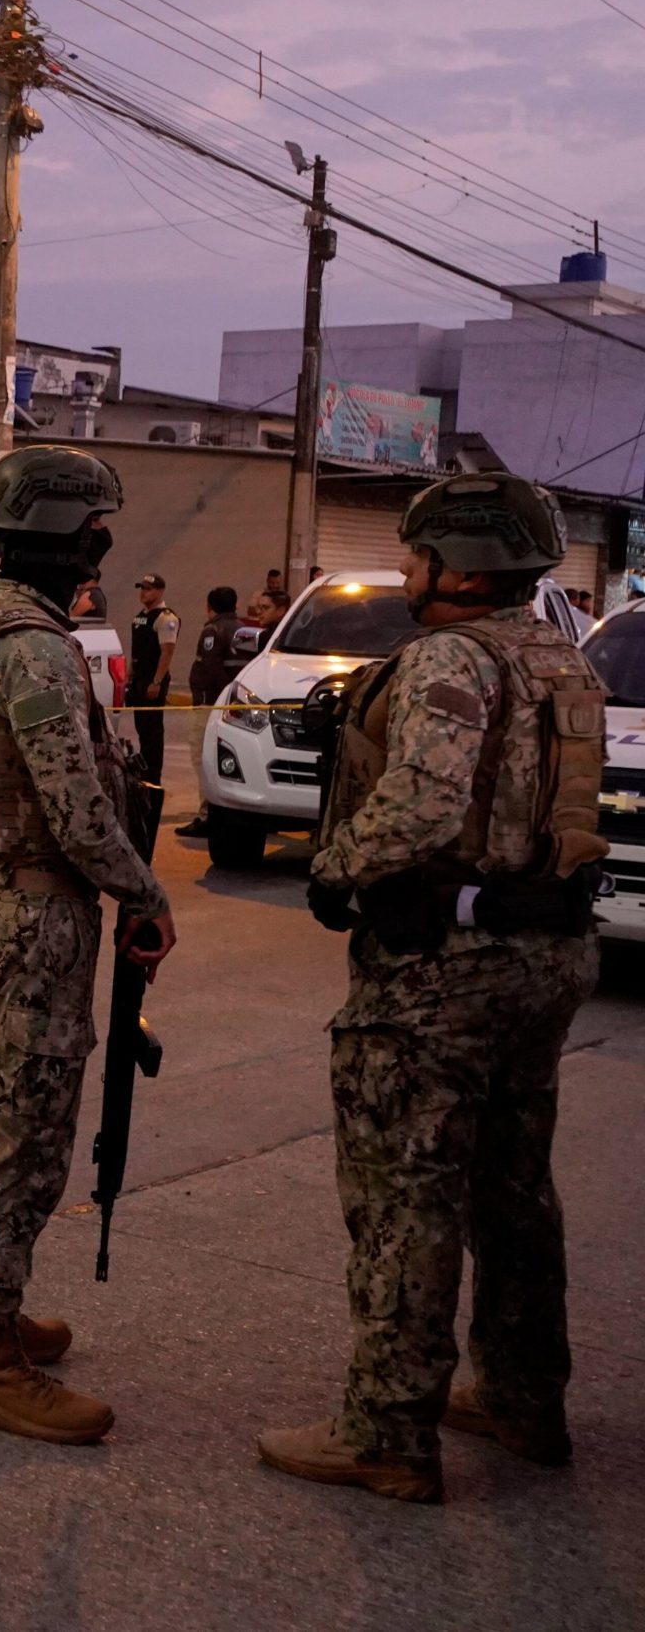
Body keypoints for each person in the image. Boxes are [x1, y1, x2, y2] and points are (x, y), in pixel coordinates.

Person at [260, 474, 607, 1504]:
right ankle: (519, 1393)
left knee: (404, 1191)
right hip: (543, 954)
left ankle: (386, 1427)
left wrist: (335, 868)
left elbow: (417, 801)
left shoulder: (447, 658)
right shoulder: (558, 655)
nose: (405, 569)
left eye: (415, 554)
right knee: (511, 1184)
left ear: (457, 566)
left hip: (441, 967)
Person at [0, 446, 175, 1447]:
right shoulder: (32, 644)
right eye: (95, 525)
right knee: (16, 1131)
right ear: (66, 533)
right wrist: (144, 895)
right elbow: (77, 810)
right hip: (32, 911)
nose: (105, 541)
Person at [127, 573, 180, 775]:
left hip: (152, 679)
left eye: (148, 589)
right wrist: (128, 678)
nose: (143, 593)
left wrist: (156, 682)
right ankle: (145, 767)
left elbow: (167, 652)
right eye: (142, 588)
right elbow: (136, 652)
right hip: (139, 679)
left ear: (159, 591)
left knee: (152, 730)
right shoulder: (140, 617)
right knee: (141, 726)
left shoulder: (166, 618)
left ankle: (153, 771)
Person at [187, 586, 246, 707]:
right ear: (235, 606)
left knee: (201, 725)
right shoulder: (244, 629)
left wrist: (227, 691)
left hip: (211, 696)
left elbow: (211, 665)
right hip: (237, 693)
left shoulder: (212, 630)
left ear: (209, 607)